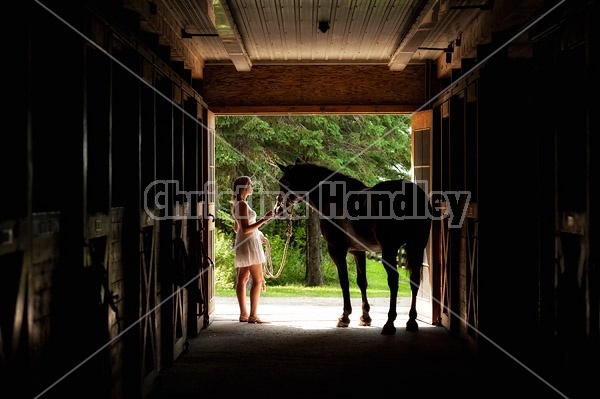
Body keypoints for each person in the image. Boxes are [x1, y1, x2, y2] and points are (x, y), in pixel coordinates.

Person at [231, 176, 274, 324]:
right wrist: (265, 219)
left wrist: (258, 233)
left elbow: (237, 228)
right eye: (250, 185)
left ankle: (244, 314)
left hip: (245, 244)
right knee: (258, 280)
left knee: (242, 279)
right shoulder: (242, 204)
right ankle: (253, 316)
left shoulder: (237, 204)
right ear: (244, 187)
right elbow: (245, 228)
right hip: (250, 246)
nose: (252, 187)